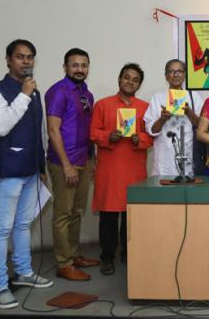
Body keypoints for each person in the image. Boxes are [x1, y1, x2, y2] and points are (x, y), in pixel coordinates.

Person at [0, 39, 53, 309]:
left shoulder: (34, 91)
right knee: (2, 229)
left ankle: (23, 271)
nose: (26, 61)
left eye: (30, 57)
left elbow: (39, 131)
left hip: (31, 169)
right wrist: (23, 95)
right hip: (8, 171)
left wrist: (41, 166)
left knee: (23, 225)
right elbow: (0, 126)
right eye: (20, 56)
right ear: (8, 59)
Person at [90, 63, 152, 275]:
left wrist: (138, 138)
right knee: (108, 216)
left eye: (135, 80)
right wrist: (108, 136)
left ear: (139, 85)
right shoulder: (102, 105)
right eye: (127, 77)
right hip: (110, 169)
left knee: (131, 215)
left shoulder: (145, 107)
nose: (130, 82)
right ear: (119, 79)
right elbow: (92, 132)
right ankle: (107, 257)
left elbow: (151, 137)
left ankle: (129, 253)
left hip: (134, 169)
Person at [45, 48, 99, 281]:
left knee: (77, 211)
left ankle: (74, 255)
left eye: (83, 65)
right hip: (64, 162)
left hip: (84, 159)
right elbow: (52, 129)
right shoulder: (58, 91)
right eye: (74, 65)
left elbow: (87, 128)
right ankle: (64, 263)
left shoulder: (87, 93)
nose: (79, 69)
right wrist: (66, 165)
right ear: (65, 67)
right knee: (63, 214)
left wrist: (92, 159)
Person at [144, 59, 203, 177]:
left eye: (179, 71)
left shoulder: (193, 97)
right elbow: (152, 130)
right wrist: (162, 118)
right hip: (165, 157)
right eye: (171, 71)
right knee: (164, 186)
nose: (176, 75)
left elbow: (202, 126)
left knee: (187, 184)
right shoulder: (158, 98)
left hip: (188, 154)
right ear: (166, 76)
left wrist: (189, 112)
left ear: (184, 74)